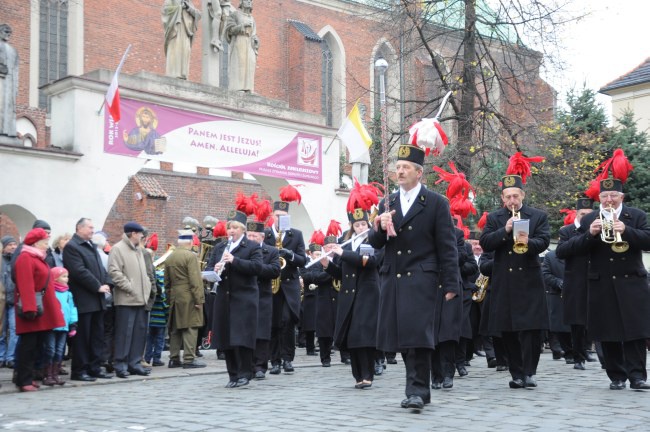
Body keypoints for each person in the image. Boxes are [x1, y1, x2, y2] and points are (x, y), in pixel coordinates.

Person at [368, 143, 459, 410]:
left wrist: (451, 283)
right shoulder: (388, 202)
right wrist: (380, 226)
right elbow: (376, 243)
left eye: (406, 167)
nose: (400, 172)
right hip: (394, 279)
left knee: (419, 337)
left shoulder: (435, 203)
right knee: (403, 338)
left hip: (422, 278)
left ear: (419, 172)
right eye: (397, 168)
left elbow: (447, 246)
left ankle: (418, 391)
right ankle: (414, 389)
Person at [566, 177, 650, 390]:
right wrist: (590, 235)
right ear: (599, 198)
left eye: (613, 196)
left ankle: (638, 377)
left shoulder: (636, 216)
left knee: (635, 332)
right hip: (601, 283)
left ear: (622, 197)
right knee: (608, 332)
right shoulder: (589, 219)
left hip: (632, 282)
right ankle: (617, 376)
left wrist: (627, 231)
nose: (609, 200)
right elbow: (567, 249)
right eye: (604, 196)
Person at [479, 174, 550, 389]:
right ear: (503, 197)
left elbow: (544, 240)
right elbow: (485, 243)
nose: (512, 200)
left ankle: (530, 372)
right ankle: (517, 373)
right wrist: (505, 230)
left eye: (515, 196)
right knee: (508, 329)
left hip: (529, 280)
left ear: (523, 196)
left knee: (531, 330)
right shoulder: (495, 218)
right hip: (505, 281)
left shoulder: (537, 216)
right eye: (508, 196)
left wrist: (529, 242)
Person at [325, 209, 380, 389]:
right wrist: (327, 265)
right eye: (357, 225)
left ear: (368, 224)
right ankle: (358, 375)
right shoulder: (347, 244)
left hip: (367, 294)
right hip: (349, 295)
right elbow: (341, 274)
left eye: (363, 224)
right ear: (352, 226)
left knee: (364, 335)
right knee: (352, 336)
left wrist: (342, 253)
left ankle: (368, 374)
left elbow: (369, 261)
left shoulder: (373, 240)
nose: (360, 227)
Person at [209, 210, 262, 387]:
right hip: (224, 298)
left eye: (235, 228)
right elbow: (208, 269)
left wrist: (234, 260)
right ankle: (232, 375)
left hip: (244, 298)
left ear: (243, 229)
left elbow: (256, 268)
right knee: (226, 338)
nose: (231, 231)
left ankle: (245, 373)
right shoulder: (219, 248)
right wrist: (214, 270)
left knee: (242, 338)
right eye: (229, 228)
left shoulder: (252, 247)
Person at [13, 228, 65, 392]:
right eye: (44, 242)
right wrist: (29, 308)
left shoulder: (36, 257)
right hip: (32, 310)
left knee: (35, 346)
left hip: (41, 308)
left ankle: (29, 377)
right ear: (36, 243)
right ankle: (23, 380)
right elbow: (25, 284)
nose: (47, 246)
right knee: (27, 346)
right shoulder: (26, 258)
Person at [63, 218, 113, 382]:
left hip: (97, 300)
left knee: (96, 336)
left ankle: (94, 367)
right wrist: (97, 286)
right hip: (83, 299)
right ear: (79, 228)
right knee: (83, 338)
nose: (93, 230)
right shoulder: (72, 247)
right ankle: (79, 370)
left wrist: (107, 283)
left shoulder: (91, 246)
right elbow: (79, 271)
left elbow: (100, 269)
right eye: (90, 227)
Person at [264, 187, 307, 375]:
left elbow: (303, 260)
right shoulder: (265, 235)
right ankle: (274, 360)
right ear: (272, 216)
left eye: (283, 215)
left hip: (289, 284)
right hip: (271, 284)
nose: (279, 218)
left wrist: (290, 254)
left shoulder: (295, 234)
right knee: (273, 323)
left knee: (288, 322)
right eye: (277, 215)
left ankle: (288, 359)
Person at [107, 222, 155, 378]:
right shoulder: (118, 249)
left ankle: (134, 363)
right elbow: (114, 272)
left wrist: (145, 288)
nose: (142, 236)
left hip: (140, 299)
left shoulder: (139, 251)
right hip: (126, 300)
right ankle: (120, 364)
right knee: (124, 334)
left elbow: (145, 273)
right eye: (140, 233)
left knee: (139, 334)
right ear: (133, 233)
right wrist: (130, 287)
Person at [555, 197, 597, 370]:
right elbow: (561, 252)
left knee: (597, 318)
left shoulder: (601, 228)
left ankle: (592, 351)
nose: (585, 216)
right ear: (577, 214)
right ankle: (578, 355)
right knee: (577, 321)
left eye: (589, 214)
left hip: (596, 278)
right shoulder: (567, 231)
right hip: (576, 280)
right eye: (582, 214)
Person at [165, 229, 206, 368]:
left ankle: (173, 358)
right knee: (191, 326)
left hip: (175, 296)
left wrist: (170, 298)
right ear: (190, 242)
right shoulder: (190, 256)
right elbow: (195, 280)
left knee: (175, 327)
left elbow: (166, 282)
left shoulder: (170, 257)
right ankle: (189, 358)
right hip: (188, 295)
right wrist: (199, 300)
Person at [247, 215, 281, 380]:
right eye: (249, 235)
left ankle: (260, 366)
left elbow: (275, 270)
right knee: (247, 331)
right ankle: (247, 365)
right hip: (246, 295)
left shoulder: (272, 251)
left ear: (262, 237)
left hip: (263, 296)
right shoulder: (242, 250)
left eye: (254, 236)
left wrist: (254, 267)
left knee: (262, 332)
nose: (251, 238)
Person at [42, 267, 78, 386]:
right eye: (64, 276)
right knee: (50, 349)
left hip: (64, 326)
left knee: (59, 351)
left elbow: (72, 309)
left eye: (67, 276)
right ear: (55, 278)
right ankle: (48, 375)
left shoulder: (68, 294)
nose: (66, 279)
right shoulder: (50, 292)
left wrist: (73, 324)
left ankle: (55, 374)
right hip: (52, 325)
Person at [541, 249, 573, 363]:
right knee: (558, 325)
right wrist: (558, 282)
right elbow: (545, 274)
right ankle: (565, 351)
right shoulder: (550, 256)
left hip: (577, 292)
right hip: (557, 293)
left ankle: (581, 351)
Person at [161, 0, 201, 80]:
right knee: (175, 50)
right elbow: (165, 10)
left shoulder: (189, 3)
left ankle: (183, 74)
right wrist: (179, 8)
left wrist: (189, 8)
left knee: (185, 50)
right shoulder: (171, 1)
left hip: (186, 33)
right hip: (175, 31)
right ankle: (173, 74)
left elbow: (198, 15)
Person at [225, 0, 259, 92]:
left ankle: (248, 88)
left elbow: (254, 33)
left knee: (250, 64)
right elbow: (229, 30)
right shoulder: (235, 15)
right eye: (246, 0)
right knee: (240, 63)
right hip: (239, 40)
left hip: (249, 43)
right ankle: (237, 88)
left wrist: (256, 40)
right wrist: (242, 26)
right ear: (241, 3)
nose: (248, 2)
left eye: (250, 1)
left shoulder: (252, 18)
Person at [0, 235, 17, 368]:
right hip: (1, 301)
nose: (13, 247)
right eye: (10, 244)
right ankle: (1, 356)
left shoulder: (17, 260)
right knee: (1, 330)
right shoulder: (1, 261)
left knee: (14, 329)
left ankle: (11, 357)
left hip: (14, 300)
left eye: (14, 244)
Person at [0, 24, 19, 138]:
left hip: (10, 82)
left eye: (9, 33)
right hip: (1, 81)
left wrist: (15, 86)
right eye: (5, 32)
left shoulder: (13, 51)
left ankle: (8, 131)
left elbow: (16, 69)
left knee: (8, 106)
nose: (8, 34)